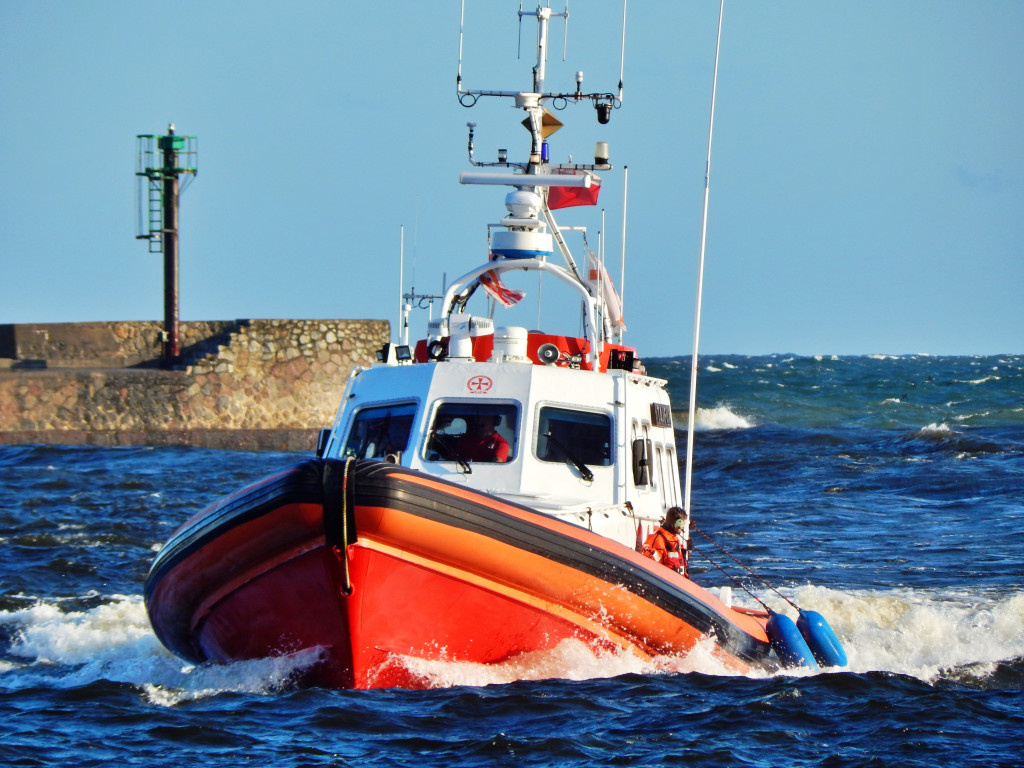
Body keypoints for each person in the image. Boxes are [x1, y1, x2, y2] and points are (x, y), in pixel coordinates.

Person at [642, 506, 689, 574]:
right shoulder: (659, 539)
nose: (682, 527)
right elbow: (650, 567)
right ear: (676, 523)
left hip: (677, 582)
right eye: (682, 523)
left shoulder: (674, 541)